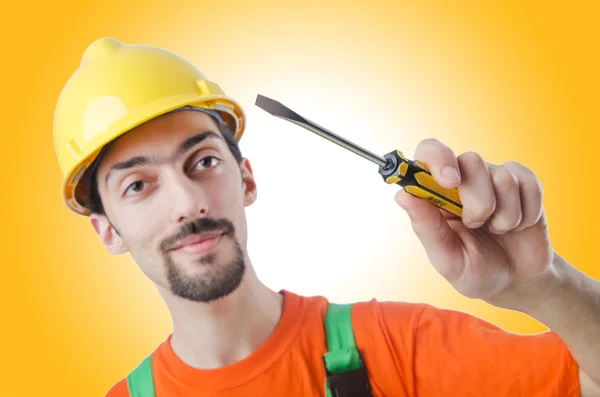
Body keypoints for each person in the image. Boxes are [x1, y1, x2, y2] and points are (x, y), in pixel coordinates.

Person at [53, 38, 600, 397]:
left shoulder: (390, 345)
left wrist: (544, 285)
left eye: (204, 162)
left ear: (246, 180)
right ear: (108, 229)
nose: (186, 202)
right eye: (138, 185)